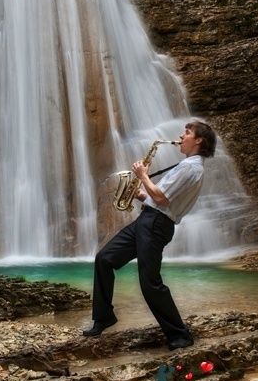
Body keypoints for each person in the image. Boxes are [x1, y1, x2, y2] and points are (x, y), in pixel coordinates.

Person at [83, 120, 216, 350]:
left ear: (199, 140)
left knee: (150, 283)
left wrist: (143, 175)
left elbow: (163, 198)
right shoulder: (186, 166)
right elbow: (160, 200)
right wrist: (140, 195)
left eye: (187, 133)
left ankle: (180, 335)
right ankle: (104, 317)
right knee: (104, 259)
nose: (181, 136)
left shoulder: (191, 168)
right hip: (148, 220)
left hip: (156, 225)